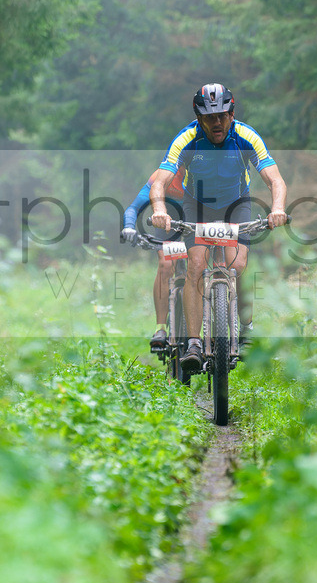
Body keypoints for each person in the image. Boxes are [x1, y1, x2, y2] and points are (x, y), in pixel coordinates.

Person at [150, 83, 288, 371]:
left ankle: (247, 328)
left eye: (222, 116)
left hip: (236, 204)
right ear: (199, 118)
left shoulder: (246, 137)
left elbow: (275, 180)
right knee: (195, 266)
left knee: (237, 265)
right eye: (209, 117)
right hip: (197, 204)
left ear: (232, 113)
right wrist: (160, 210)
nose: (216, 123)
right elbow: (160, 182)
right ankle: (194, 343)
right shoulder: (187, 139)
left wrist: (277, 208)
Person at [121, 168, 185, 350]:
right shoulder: (160, 176)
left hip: (194, 221)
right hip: (166, 223)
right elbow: (133, 208)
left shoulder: (203, 171)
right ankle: (161, 328)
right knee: (166, 265)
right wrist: (128, 227)